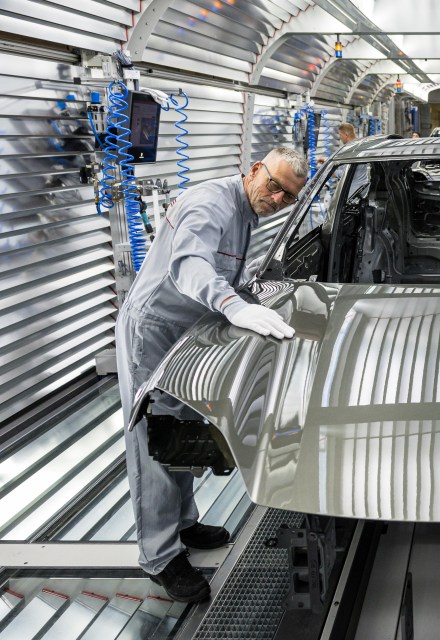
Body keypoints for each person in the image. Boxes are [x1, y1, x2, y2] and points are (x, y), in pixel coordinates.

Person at [116, 147, 308, 602]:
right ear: (256, 168)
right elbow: (191, 266)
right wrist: (234, 306)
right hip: (155, 329)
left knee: (177, 432)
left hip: (191, 330)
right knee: (151, 438)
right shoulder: (211, 203)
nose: (278, 199)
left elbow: (230, 270)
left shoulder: (248, 210)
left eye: (290, 197)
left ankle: (184, 523)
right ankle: (160, 558)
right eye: (275, 186)